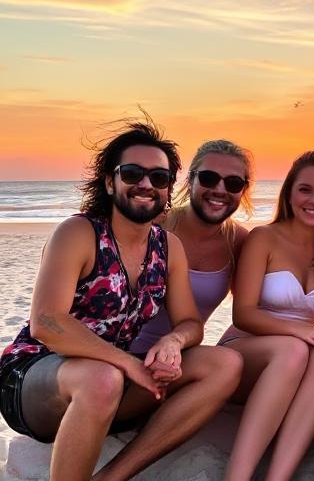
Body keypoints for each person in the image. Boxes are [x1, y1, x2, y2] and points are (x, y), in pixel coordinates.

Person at [0, 118, 242, 481]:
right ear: (111, 182)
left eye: (159, 178)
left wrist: (173, 342)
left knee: (225, 364)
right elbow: (47, 323)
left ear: (167, 189)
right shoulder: (79, 232)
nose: (146, 184)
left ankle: (113, 476)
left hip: (111, 378)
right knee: (104, 377)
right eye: (132, 173)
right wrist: (126, 364)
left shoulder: (167, 246)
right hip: (35, 379)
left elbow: (191, 322)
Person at [218, 151, 314, 481]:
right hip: (246, 354)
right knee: (296, 350)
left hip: (302, 364)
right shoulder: (264, 237)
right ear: (289, 192)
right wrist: (301, 331)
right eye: (305, 189)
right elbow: (243, 313)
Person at [131, 139, 253, 356]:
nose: (220, 189)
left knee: (227, 361)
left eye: (233, 183)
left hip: (176, 358)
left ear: (244, 190)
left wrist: (227, 344)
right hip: (119, 354)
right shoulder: (156, 224)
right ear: (190, 179)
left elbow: (250, 314)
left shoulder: (239, 242)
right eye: (209, 178)